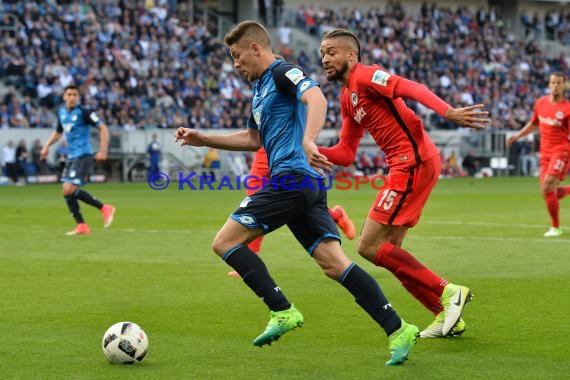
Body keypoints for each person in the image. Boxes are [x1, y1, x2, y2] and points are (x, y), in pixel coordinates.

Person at [176, 20, 419, 366]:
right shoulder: (260, 89)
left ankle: (282, 310)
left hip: (291, 178)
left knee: (225, 242)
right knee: (335, 265)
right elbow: (253, 139)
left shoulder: (281, 73)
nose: (235, 64)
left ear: (256, 48)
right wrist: (203, 138)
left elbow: (315, 96)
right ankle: (398, 329)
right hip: (306, 184)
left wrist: (308, 140)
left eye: (237, 55)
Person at [316, 29, 491, 338]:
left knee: (368, 246)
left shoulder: (367, 75)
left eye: (331, 52)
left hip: (412, 162)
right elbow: (345, 153)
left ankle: (449, 291)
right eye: (322, 53)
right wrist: (308, 149)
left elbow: (410, 87)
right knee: (391, 251)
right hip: (409, 164)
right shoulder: (347, 97)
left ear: (351, 55)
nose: (325, 58)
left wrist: (447, 111)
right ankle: (445, 316)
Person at [227, 146, 357, 277]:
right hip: (267, 145)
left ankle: (336, 216)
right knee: (257, 195)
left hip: (287, 145)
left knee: (291, 198)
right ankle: (336, 216)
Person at [40, 84, 116, 235]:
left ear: (78, 97)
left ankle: (104, 208)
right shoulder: (62, 113)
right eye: (69, 94)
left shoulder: (84, 112)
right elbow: (58, 133)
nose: (72, 97)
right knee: (66, 191)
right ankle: (81, 225)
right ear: (64, 96)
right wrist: (46, 146)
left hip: (84, 155)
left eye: (75, 94)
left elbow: (103, 128)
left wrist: (103, 150)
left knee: (70, 188)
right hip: (72, 156)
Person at [507, 72, 570, 237]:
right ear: (549, 85)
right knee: (547, 190)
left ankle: (555, 227)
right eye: (553, 82)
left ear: (564, 86)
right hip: (544, 152)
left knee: (548, 184)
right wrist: (518, 135)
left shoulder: (567, 109)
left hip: (561, 150)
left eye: (559, 83)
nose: (555, 85)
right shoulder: (540, 103)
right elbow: (534, 123)